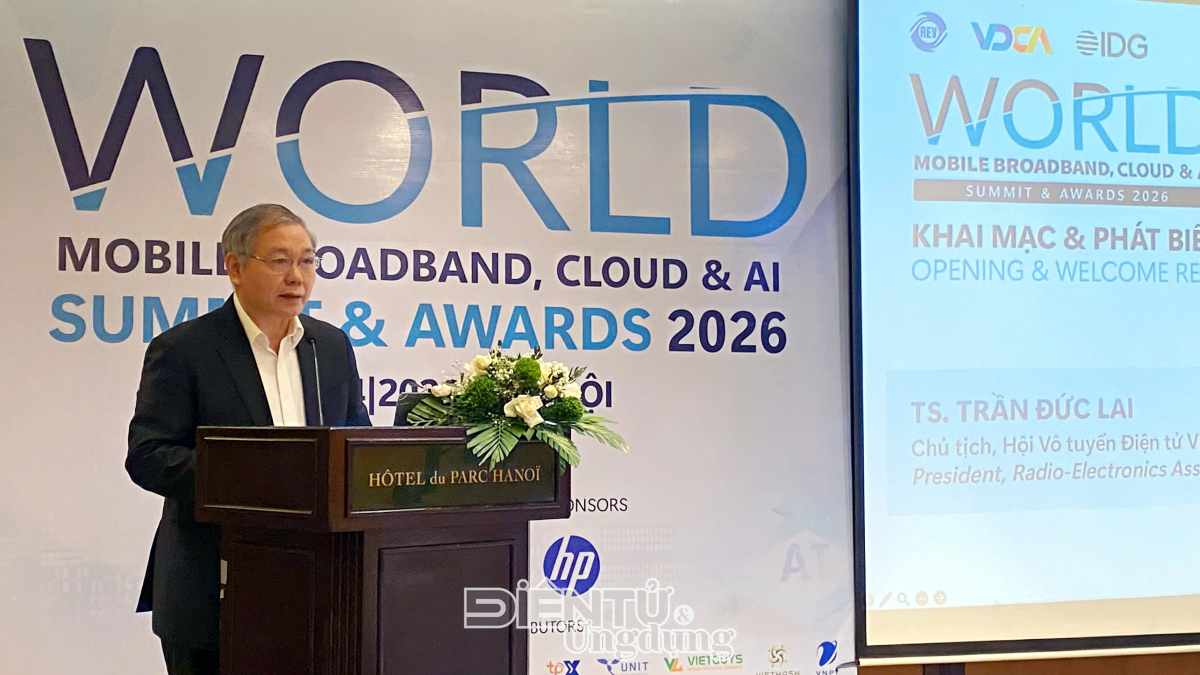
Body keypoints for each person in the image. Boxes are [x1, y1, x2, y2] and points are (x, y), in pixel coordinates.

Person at [125, 204, 371, 675]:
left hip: (319, 591)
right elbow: (150, 456)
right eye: (279, 261)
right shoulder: (184, 349)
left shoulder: (331, 346)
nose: (297, 276)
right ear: (235, 268)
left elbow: (354, 440)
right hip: (213, 590)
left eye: (307, 260)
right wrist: (262, 479)